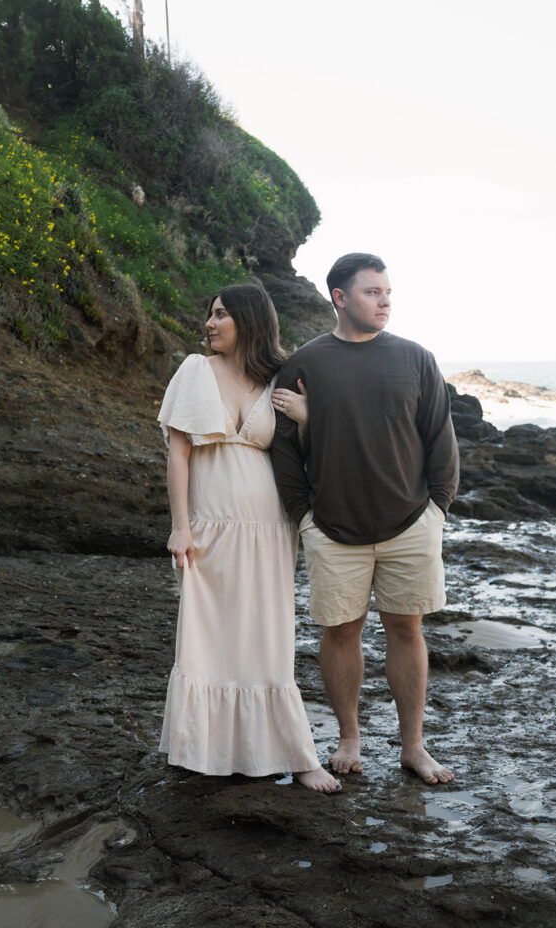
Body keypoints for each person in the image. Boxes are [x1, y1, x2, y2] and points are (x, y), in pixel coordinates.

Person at [271, 254, 460, 785]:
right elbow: (283, 449)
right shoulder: (307, 363)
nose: (384, 301)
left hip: (410, 522)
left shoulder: (415, 358)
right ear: (340, 297)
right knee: (341, 632)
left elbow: (440, 437)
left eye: (388, 292)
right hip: (332, 528)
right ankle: (349, 737)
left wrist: (437, 509)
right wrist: (304, 517)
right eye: (372, 292)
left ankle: (413, 747)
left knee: (406, 629)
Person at [158, 282, 340, 793]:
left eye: (222, 314)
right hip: (209, 526)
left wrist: (307, 418)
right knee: (206, 636)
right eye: (210, 314)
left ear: (250, 320)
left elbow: (310, 450)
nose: (210, 323)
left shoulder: (279, 379)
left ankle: (297, 754)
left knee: (268, 636)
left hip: (271, 528)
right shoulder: (195, 370)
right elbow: (178, 454)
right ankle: (202, 748)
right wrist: (180, 526)